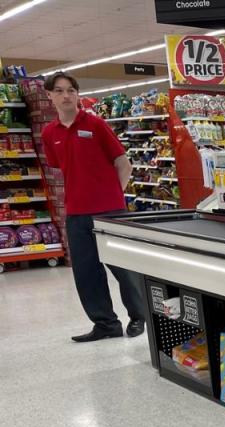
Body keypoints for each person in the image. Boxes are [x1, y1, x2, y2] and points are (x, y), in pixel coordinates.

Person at [41, 72, 146, 342]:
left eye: (71, 90)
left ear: (77, 94)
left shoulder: (96, 125)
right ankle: (106, 324)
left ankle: (138, 317)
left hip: (109, 212)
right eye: (60, 91)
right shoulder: (49, 133)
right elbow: (60, 167)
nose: (66, 96)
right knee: (86, 273)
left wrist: (114, 195)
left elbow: (124, 163)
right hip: (76, 212)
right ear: (50, 96)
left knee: (123, 268)